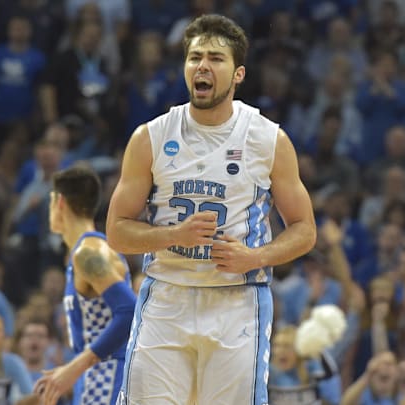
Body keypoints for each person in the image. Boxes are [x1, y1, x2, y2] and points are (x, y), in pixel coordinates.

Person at [105, 14, 316, 405]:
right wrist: (172, 235)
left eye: (215, 59)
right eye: (194, 57)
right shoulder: (150, 137)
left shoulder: (268, 138)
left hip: (236, 302)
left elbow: (304, 229)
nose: (202, 66)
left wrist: (255, 256)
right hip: (167, 297)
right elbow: (116, 231)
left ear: (238, 74)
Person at [33, 166, 135, 405]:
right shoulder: (84, 251)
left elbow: (130, 311)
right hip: (94, 374)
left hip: (106, 374)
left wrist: (75, 367)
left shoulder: (88, 254)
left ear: (59, 203)